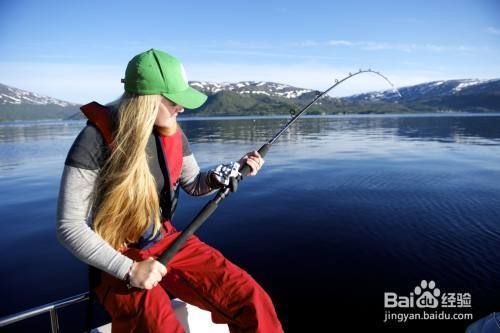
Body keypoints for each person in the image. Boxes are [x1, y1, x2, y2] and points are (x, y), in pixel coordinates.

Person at [56, 48, 283, 333]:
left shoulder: (173, 133)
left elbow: (194, 184)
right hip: (116, 253)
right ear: (149, 100)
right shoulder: (93, 140)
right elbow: (70, 227)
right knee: (160, 326)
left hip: (165, 239)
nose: (182, 108)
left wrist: (222, 174)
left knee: (251, 300)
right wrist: (130, 270)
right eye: (175, 100)